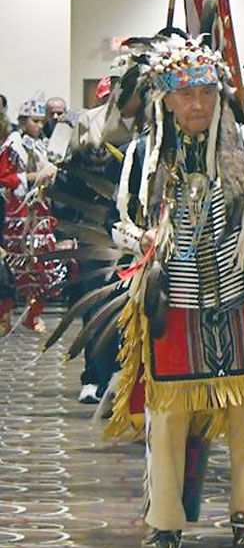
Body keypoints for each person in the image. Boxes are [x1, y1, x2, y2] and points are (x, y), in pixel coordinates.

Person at [106, 32, 244, 547]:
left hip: (238, 298)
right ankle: (165, 521)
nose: (198, 103)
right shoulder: (145, 155)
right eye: (186, 93)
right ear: (165, 97)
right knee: (167, 420)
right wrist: (140, 238)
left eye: (207, 92)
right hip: (173, 304)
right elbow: (117, 219)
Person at [61, 58, 142, 404]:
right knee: (97, 303)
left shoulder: (157, 123)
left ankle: (128, 378)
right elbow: (70, 179)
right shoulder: (89, 124)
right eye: (121, 82)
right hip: (96, 227)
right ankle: (95, 375)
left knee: (136, 305)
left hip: (139, 227)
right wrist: (66, 225)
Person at [0, 93, 63, 334]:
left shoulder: (41, 145)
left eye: (41, 121)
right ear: (23, 120)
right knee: (15, 264)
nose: (39, 125)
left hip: (39, 211)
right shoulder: (13, 145)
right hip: (18, 213)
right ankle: (4, 315)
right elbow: (4, 177)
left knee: (40, 264)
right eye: (34, 121)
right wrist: (32, 177)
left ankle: (33, 314)